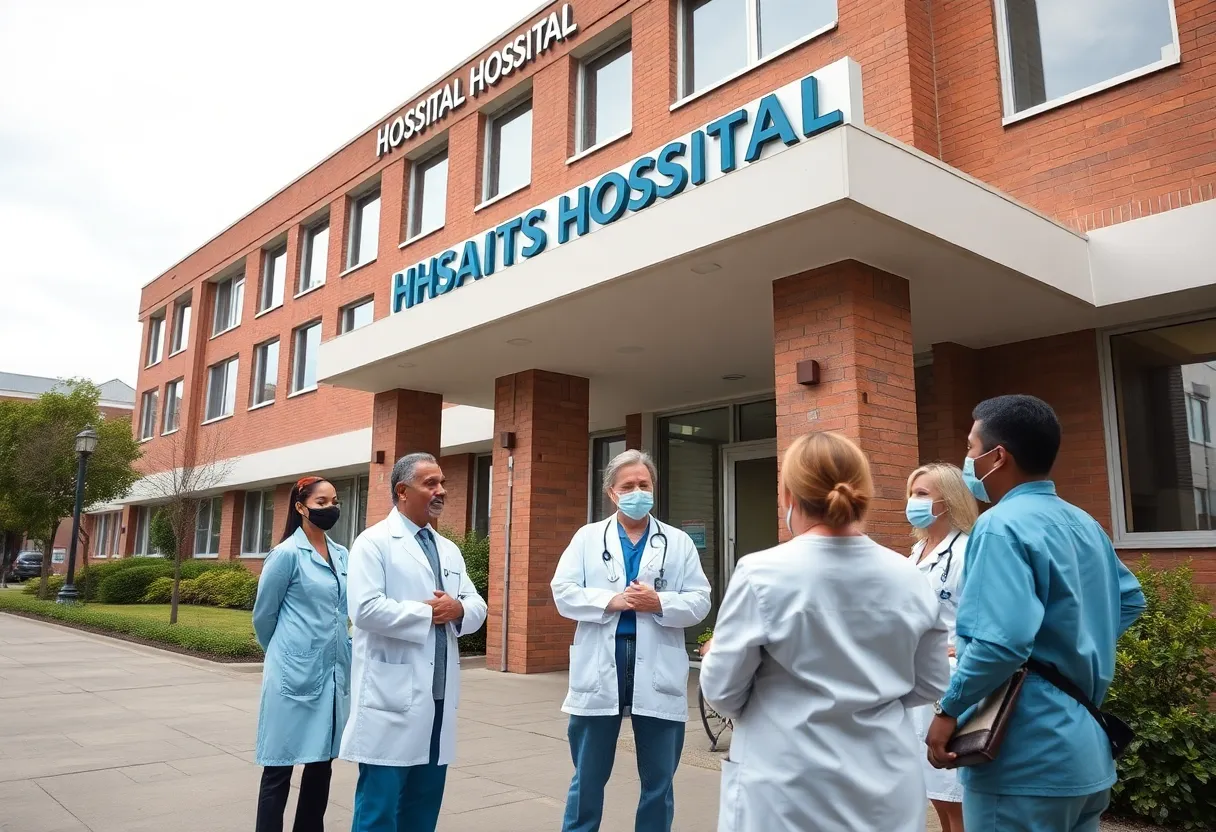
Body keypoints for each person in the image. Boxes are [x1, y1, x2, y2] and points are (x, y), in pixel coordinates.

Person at [700, 431, 950, 832]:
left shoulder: (762, 572)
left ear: (787, 496)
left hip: (786, 783)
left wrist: (715, 657)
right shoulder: (909, 576)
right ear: (864, 493)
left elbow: (724, 691)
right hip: (886, 782)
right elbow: (932, 682)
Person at [926, 395, 1146, 832]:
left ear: (997, 456)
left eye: (970, 448)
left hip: (1022, 758)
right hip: (1086, 751)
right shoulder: (1084, 523)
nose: (967, 459)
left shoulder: (1000, 525)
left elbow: (999, 643)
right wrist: (1075, 640)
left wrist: (947, 712)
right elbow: (1130, 599)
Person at [551, 449, 711, 832]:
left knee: (658, 781)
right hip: (600, 665)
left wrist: (660, 602)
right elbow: (563, 592)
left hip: (656, 664)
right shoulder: (587, 538)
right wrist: (611, 599)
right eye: (629, 486)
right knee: (587, 777)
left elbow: (700, 600)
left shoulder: (677, 542)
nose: (638, 492)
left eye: (644, 485)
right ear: (611, 493)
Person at [340, 453, 487, 832]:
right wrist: (430, 613)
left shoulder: (448, 549)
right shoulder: (373, 543)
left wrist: (457, 609)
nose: (441, 491)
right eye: (431, 484)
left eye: (443, 483)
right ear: (402, 491)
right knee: (379, 809)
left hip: (438, 698)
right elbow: (365, 610)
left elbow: (476, 606)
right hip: (391, 697)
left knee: (423, 807)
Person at [252, 476, 352, 832]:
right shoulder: (286, 555)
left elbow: (344, 611)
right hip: (292, 674)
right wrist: (286, 653)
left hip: (333, 673)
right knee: (279, 765)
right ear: (300, 507)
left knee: (321, 765)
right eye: (321, 503)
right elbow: (264, 616)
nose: (330, 509)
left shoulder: (341, 554)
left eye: (334, 502)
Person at [905, 463, 978, 832]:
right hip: (919, 684)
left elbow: (982, 618)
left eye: (922, 494)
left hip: (951, 684)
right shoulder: (917, 549)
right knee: (937, 796)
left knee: (956, 799)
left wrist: (959, 649)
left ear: (948, 501)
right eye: (912, 493)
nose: (913, 502)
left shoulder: (967, 550)